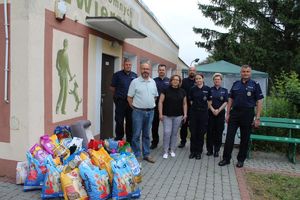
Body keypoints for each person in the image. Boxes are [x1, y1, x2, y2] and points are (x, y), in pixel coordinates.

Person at [218, 65, 263, 168]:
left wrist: (257, 118)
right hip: (235, 113)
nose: (245, 73)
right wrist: (228, 113)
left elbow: (259, 101)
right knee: (229, 137)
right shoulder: (235, 84)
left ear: (250, 73)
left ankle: (241, 160)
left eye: (247, 71)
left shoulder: (255, 84)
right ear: (241, 73)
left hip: (247, 113)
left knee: (245, 138)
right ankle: (226, 159)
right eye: (243, 71)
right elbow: (230, 99)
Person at [127, 61, 158, 163]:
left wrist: (148, 104)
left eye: (147, 69)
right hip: (138, 112)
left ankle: (146, 154)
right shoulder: (135, 82)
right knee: (136, 135)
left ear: (150, 70)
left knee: (146, 135)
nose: (146, 71)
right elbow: (129, 98)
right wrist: (136, 108)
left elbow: (155, 96)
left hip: (150, 112)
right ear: (140, 70)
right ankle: (136, 155)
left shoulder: (153, 82)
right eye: (144, 69)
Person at [158, 75, 187, 159]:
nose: (175, 81)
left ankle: (172, 150)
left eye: (177, 80)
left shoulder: (183, 91)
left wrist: (185, 114)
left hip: (178, 116)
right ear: (171, 81)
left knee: (174, 134)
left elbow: (184, 104)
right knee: (167, 133)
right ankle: (165, 151)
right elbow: (160, 102)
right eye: (174, 79)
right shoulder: (165, 90)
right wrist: (160, 114)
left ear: (179, 82)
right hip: (167, 115)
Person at [110, 58, 137, 143]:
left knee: (130, 121)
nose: (128, 66)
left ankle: (129, 139)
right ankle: (119, 138)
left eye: (129, 65)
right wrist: (117, 96)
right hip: (120, 102)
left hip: (131, 103)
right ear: (123, 65)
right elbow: (112, 88)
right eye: (126, 64)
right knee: (119, 120)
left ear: (131, 66)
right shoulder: (117, 75)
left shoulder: (135, 75)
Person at [189, 73, 211, 159]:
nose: (198, 80)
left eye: (199, 78)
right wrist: (196, 108)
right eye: (196, 79)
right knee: (193, 133)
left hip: (203, 114)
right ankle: (192, 152)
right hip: (194, 113)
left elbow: (209, 102)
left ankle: (199, 152)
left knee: (201, 133)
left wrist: (204, 109)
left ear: (203, 79)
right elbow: (191, 101)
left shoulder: (207, 89)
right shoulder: (192, 89)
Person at [207, 73, 228, 157]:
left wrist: (218, 110)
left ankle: (216, 150)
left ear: (221, 80)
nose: (217, 81)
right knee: (210, 132)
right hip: (210, 113)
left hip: (220, 114)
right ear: (213, 80)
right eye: (215, 79)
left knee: (218, 133)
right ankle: (209, 150)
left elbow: (226, 101)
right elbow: (207, 101)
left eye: (218, 79)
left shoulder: (225, 90)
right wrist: (212, 110)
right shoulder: (209, 90)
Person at [150, 64, 170, 149]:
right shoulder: (153, 81)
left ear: (165, 71)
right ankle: (155, 142)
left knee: (167, 127)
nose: (161, 71)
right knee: (154, 126)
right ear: (158, 71)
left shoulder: (169, 81)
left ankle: (168, 143)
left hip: (166, 107)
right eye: (160, 70)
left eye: (163, 70)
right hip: (155, 107)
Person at [178, 66, 196, 148]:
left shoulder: (198, 80)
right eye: (190, 70)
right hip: (184, 107)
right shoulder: (184, 81)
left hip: (195, 108)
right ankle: (183, 141)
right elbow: (180, 92)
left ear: (195, 71)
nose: (192, 72)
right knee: (184, 125)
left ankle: (193, 142)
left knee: (193, 126)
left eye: (193, 70)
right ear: (188, 72)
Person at [56, 39, 75, 115]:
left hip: (66, 76)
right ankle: (58, 107)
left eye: (66, 42)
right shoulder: (60, 52)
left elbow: (68, 66)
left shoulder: (66, 53)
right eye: (64, 42)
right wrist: (59, 71)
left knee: (66, 93)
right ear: (63, 43)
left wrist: (70, 76)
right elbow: (57, 64)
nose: (65, 43)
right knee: (62, 91)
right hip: (62, 74)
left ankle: (63, 109)